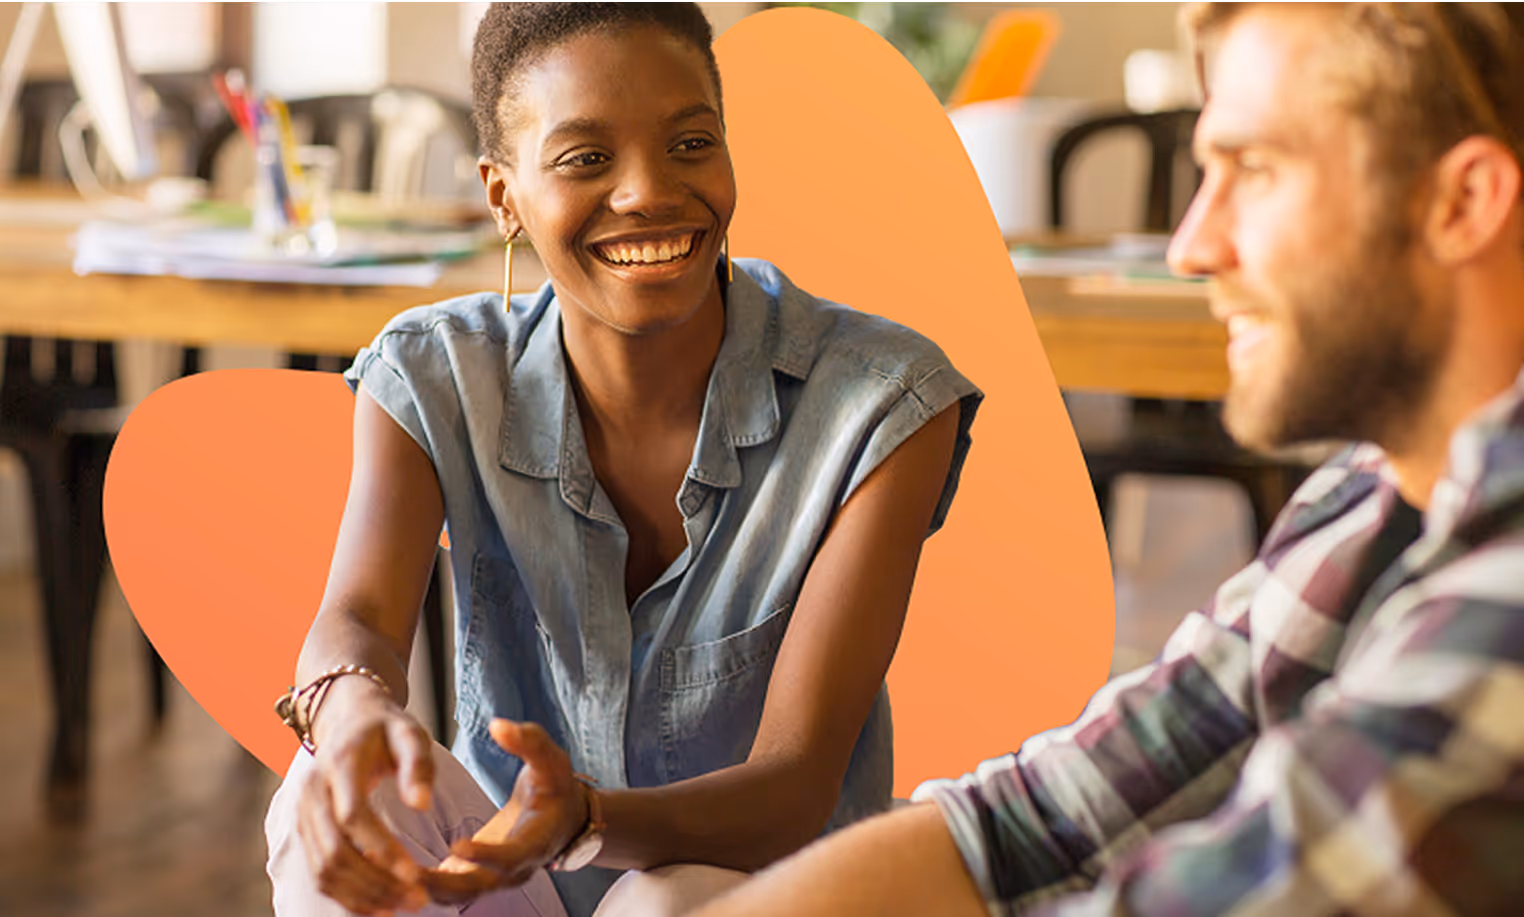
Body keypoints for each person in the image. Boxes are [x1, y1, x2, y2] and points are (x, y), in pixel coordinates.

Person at [686, 2, 1524, 915]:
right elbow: (1031, 823)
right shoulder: (1372, 494)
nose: (1193, 245)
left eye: (1254, 169)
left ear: (1464, 202)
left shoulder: (1503, 604)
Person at [261, 3, 981, 917]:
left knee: (662, 898)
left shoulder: (882, 400)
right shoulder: (434, 373)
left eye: (690, 143)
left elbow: (796, 788)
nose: (647, 190)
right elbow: (356, 617)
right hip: (516, 871)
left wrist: (584, 819)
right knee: (319, 791)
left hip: (764, 889)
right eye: (585, 159)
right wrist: (351, 715)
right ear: (503, 193)